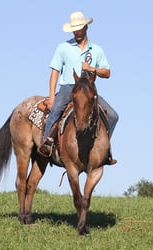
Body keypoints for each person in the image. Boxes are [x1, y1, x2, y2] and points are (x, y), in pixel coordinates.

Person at [38, 11, 118, 165]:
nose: (76, 32)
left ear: (86, 27)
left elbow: (107, 72)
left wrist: (93, 69)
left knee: (113, 116)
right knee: (55, 110)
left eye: (79, 28)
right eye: (74, 29)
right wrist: (52, 96)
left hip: (88, 91)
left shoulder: (96, 50)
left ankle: (105, 149)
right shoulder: (63, 47)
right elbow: (54, 72)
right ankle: (46, 143)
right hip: (68, 87)